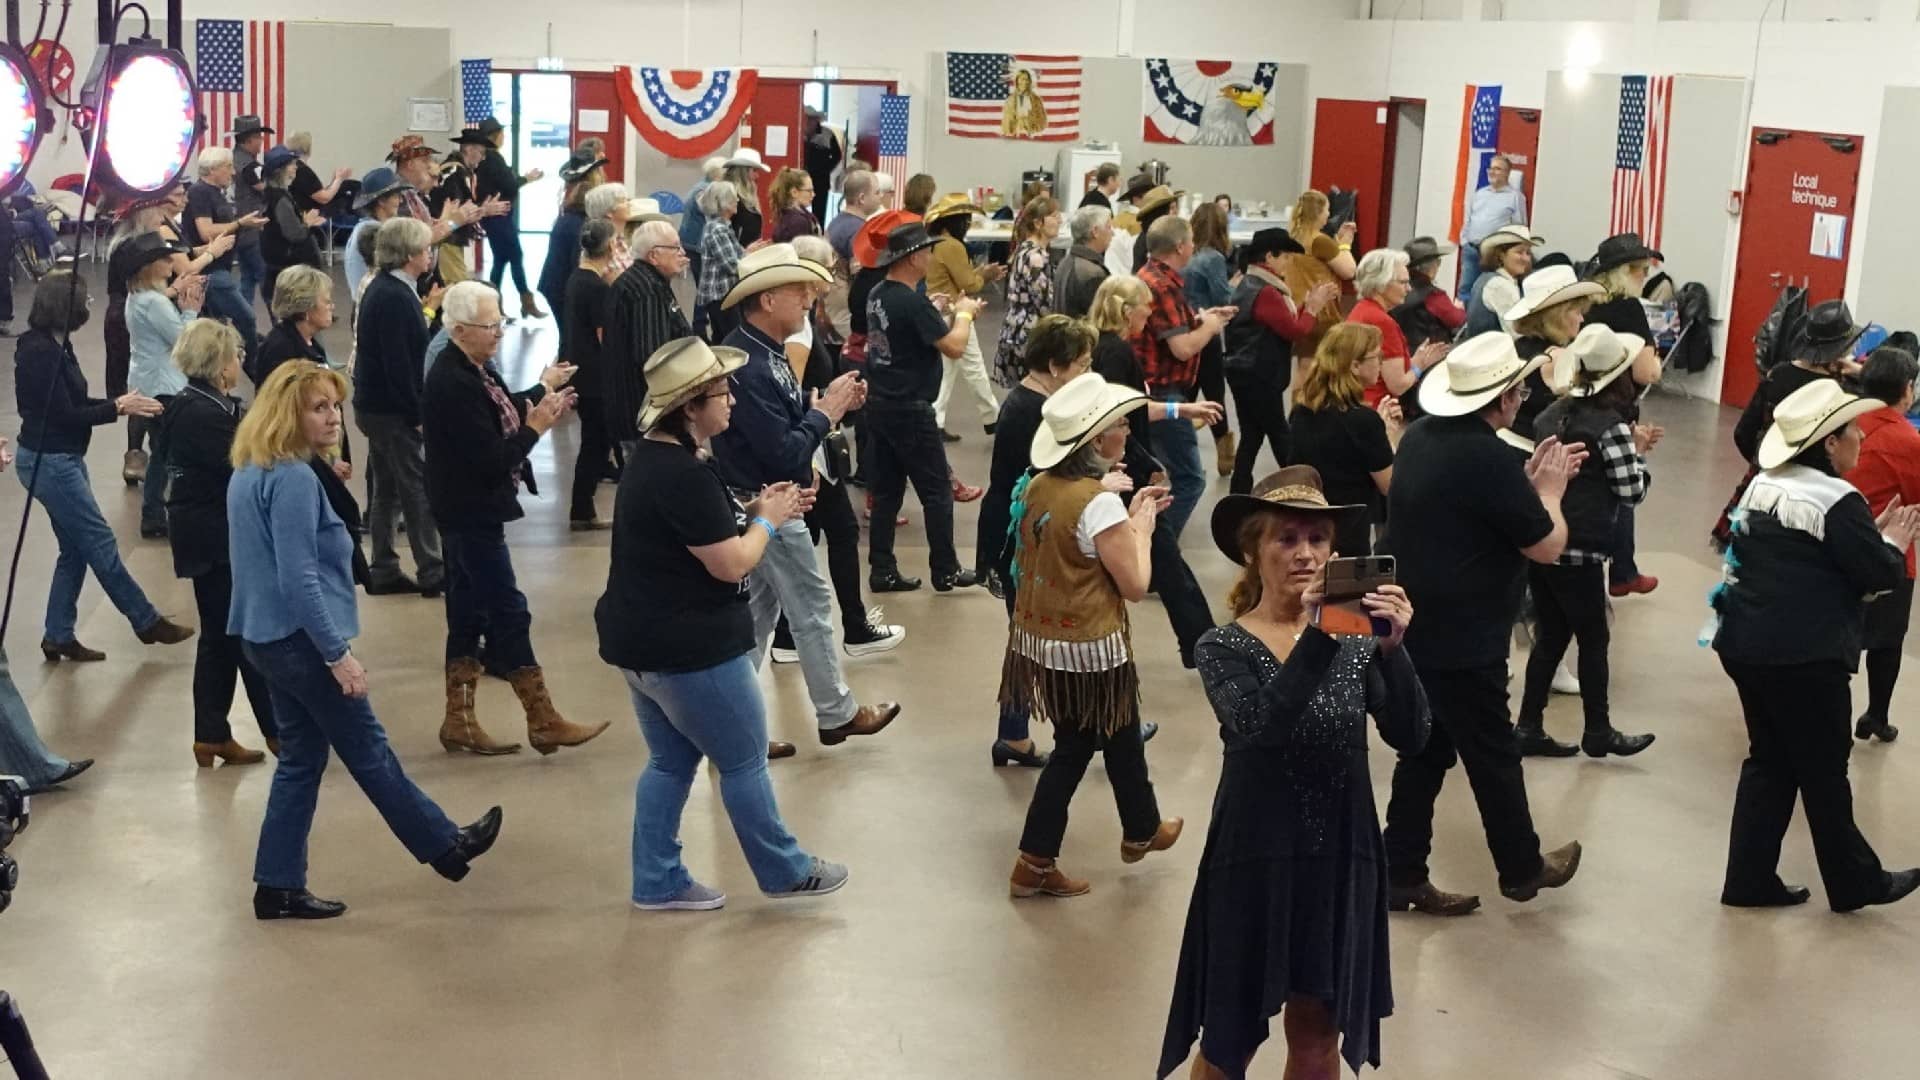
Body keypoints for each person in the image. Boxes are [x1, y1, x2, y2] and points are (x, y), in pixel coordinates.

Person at [1160, 466, 1428, 1080]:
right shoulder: (1221, 646)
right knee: (1228, 1041)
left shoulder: (1357, 641)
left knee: (1316, 1038)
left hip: (1339, 857)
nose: (1305, 554)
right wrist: (1318, 637)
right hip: (1253, 859)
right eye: (1286, 538)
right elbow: (1259, 728)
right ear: (1253, 551)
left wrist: (1395, 649)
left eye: (1318, 539)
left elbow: (1413, 737)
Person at [230, 362, 502, 921]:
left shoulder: (249, 470)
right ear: (288, 413)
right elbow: (299, 578)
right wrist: (337, 654)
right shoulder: (293, 480)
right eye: (318, 408)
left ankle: (276, 884)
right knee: (369, 749)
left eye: (334, 406)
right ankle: (445, 845)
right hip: (300, 642)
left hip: (262, 637)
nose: (334, 418)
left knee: (302, 760)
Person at [602, 336, 851, 910]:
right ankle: (784, 870)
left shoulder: (660, 459)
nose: (732, 399)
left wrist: (760, 510)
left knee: (669, 762)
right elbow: (732, 562)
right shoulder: (682, 474)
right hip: (689, 650)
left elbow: (703, 528)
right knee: (743, 760)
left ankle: (657, 880)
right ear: (689, 407)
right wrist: (768, 523)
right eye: (720, 392)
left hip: (640, 645)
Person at [1378, 331, 1586, 916]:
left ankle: (1401, 872)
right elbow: (1547, 546)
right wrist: (1549, 491)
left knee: (1424, 751)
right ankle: (1521, 868)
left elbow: (1466, 512)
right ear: (1505, 399)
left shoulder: (1419, 438)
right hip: (1465, 637)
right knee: (1492, 752)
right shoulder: (1490, 458)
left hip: (1413, 627)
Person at [1711, 378, 1920, 912]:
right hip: (1803, 656)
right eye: (1851, 432)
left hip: (1743, 643)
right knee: (1825, 771)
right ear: (1829, 443)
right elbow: (1878, 575)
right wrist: (1891, 545)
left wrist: (1868, 541)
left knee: (1770, 760)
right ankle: (1856, 885)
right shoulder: (1836, 498)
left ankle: (1748, 879)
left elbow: (1804, 557)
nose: (1860, 440)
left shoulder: (1767, 481)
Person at [710, 244, 903, 750]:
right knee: (812, 604)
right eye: (800, 292)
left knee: (757, 617)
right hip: (766, 503)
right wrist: (828, 413)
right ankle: (836, 712)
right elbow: (778, 450)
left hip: (771, 498)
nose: (810, 299)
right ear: (768, 299)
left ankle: (730, 727)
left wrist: (819, 411)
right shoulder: (751, 364)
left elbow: (786, 431)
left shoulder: (763, 351)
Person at [1004, 372, 1184, 899]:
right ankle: (1034, 860)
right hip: (1092, 649)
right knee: (1077, 748)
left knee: (1119, 732)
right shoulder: (1098, 503)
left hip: (1041, 643)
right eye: (1118, 426)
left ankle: (1141, 827)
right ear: (1095, 441)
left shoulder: (1039, 486)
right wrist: (1141, 527)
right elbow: (1134, 584)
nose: (1126, 431)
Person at [421, 281, 606, 757]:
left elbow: (498, 410)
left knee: (467, 614)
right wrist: (537, 427)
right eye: (491, 325)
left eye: (500, 321)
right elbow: (491, 457)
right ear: (460, 330)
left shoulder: (475, 370)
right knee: (508, 610)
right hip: (469, 512)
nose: (500, 331)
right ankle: (542, 719)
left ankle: (457, 720)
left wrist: (543, 389)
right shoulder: (453, 381)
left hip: (466, 510)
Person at [15, 272, 195, 661]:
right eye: (84, 302)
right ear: (67, 306)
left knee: (75, 550)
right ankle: (145, 620)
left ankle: (57, 633)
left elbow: (71, 402)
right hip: (49, 462)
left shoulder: (54, 345)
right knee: (99, 542)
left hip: (62, 458)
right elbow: (64, 414)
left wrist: (120, 401)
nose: (89, 307)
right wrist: (117, 407)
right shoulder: (39, 353)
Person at [1515, 325, 1659, 759]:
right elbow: (1630, 490)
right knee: (1594, 638)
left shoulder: (1549, 415)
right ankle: (1598, 729)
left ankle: (1528, 724)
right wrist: (1641, 460)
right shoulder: (1611, 427)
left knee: (1552, 635)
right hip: (1583, 548)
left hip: (1545, 539)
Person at [765, 234, 905, 665]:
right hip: (809, 452)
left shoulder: (805, 323)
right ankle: (852, 628)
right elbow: (791, 391)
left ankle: (793, 635)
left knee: (822, 534)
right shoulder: (799, 332)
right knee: (835, 534)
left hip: (811, 447)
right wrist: (825, 410)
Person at [978, 315, 1095, 769]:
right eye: (1081, 364)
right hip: (1025, 540)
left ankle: (1016, 733)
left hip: (1019, 534)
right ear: (1056, 365)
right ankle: (1100, 726)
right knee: (1054, 636)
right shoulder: (1032, 411)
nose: (1086, 372)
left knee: (1031, 639)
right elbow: (1047, 480)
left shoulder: (1031, 403)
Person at [162, 318, 278, 768]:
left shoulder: (206, 403)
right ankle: (277, 729)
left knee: (219, 636)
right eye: (235, 356)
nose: (240, 362)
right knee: (241, 633)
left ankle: (211, 733)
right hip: (212, 540)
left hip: (209, 535)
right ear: (219, 364)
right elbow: (245, 464)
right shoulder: (201, 413)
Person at [1088, 275, 1219, 669]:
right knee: (1166, 560)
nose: (1149, 313)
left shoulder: (1107, 349)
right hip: (1125, 470)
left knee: (1165, 560)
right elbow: (1118, 417)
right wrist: (1148, 464)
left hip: (1122, 465)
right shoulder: (1117, 354)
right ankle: (1203, 645)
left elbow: (1133, 408)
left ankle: (1201, 643)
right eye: (1144, 307)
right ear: (1127, 310)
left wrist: (1184, 410)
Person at [863, 222, 986, 592]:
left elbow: (905, 332)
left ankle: (881, 568)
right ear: (915, 257)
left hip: (880, 402)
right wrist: (964, 314)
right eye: (928, 252)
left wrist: (934, 311)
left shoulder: (878, 294)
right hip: (912, 409)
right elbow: (953, 346)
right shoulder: (912, 302)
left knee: (886, 494)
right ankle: (945, 569)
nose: (931, 258)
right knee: (936, 491)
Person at [353, 216, 445, 597]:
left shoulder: (389, 288)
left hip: (376, 407)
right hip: (392, 411)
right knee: (416, 488)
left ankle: (385, 565)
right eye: (425, 249)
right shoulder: (393, 295)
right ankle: (432, 568)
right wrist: (417, 415)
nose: (430, 255)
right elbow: (400, 365)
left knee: (387, 488)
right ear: (409, 254)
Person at [1135, 215, 1235, 539]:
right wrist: (1210, 328)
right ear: (1180, 246)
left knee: (1149, 473)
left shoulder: (1150, 277)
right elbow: (1182, 348)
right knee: (1190, 478)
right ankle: (1155, 548)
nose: (1194, 246)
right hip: (1163, 393)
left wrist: (1203, 318)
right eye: (1191, 240)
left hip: (1154, 390)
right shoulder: (1163, 286)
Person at [1579, 233, 1667, 599]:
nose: (1645, 275)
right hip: (1616, 407)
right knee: (1623, 482)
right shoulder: (1629, 310)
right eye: (1639, 269)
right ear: (1622, 272)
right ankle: (1622, 570)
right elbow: (1647, 372)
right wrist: (1657, 359)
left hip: (1580, 401)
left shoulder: (1584, 304)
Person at [1224, 227, 1336, 494]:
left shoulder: (1251, 286)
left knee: (1252, 436)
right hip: (1259, 376)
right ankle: (1302, 488)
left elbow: (1279, 323)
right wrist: (1312, 309)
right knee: (1280, 434)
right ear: (1270, 257)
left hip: (1244, 373)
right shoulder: (1266, 292)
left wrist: (1304, 308)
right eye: (1285, 257)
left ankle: (1239, 492)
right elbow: (1294, 331)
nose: (1288, 263)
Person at [1845, 347, 1920, 744]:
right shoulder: (1907, 440)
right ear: (1907, 390)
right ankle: (1876, 714)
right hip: (1888, 549)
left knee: (1839, 634)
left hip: (1838, 545)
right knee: (1887, 641)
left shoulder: (1843, 421)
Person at [1288, 323, 1395, 556]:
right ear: (1355, 365)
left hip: (1309, 528)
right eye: (1377, 356)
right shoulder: (1364, 421)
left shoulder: (1301, 412)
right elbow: (1390, 486)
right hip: (1349, 535)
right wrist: (1388, 434)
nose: (1381, 363)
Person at [124, 233, 204, 538]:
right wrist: (190, 310)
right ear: (150, 266)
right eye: (165, 258)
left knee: (161, 450)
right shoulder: (155, 302)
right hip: (164, 386)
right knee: (165, 453)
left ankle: (157, 512)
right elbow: (183, 340)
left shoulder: (137, 297)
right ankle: (156, 514)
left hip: (146, 380)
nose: (172, 262)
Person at [604, 220, 693, 453]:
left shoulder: (646, 281)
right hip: (643, 414)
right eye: (675, 247)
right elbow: (654, 357)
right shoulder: (647, 291)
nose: (682, 253)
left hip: (631, 409)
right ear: (654, 255)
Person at [923, 194, 1005, 442]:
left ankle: (937, 419)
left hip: (940, 310)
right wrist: (987, 275)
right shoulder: (953, 246)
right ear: (951, 223)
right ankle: (994, 419)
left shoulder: (936, 242)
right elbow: (968, 283)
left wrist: (980, 273)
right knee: (974, 367)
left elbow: (957, 276)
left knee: (947, 371)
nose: (967, 225)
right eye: (964, 221)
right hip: (956, 313)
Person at [182, 147, 268, 372]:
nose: (233, 172)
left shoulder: (215, 193)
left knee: (215, 331)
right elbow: (206, 231)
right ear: (212, 170)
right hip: (211, 271)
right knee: (246, 318)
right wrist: (240, 224)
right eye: (228, 167)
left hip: (220, 268)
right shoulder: (200, 193)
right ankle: (254, 366)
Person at [1502, 263, 1605, 440]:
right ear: (1558, 316)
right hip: (1537, 447)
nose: (1581, 318)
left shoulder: (1517, 345)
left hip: (1509, 437)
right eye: (1577, 311)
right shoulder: (1557, 358)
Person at [564, 220, 621, 530]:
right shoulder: (596, 287)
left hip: (582, 373)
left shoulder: (577, 279)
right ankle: (582, 509)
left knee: (594, 443)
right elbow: (605, 337)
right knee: (595, 445)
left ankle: (582, 508)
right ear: (610, 246)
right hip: (597, 379)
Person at [1347, 248, 1446, 410]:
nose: (1409, 289)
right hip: (1377, 409)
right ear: (1380, 285)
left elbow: (1386, 368)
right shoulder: (1382, 321)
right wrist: (1420, 365)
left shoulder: (1360, 309)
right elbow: (1398, 385)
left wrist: (1419, 359)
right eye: (1403, 282)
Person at [472, 117, 547, 319]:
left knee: (502, 259)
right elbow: (509, 185)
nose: (504, 137)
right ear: (495, 136)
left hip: (496, 217)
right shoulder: (494, 159)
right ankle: (525, 301)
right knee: (515, 256)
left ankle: (496, 306)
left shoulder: (485, 159)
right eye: (502, 133)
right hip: (498, 217)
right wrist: (527, 179)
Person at [1184, 202, 1239, 477]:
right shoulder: (1214, 258)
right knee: (1214, 394)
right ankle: (1224, 453)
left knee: (1185, 394)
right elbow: (1223, 298)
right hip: (1207, 332)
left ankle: (1179, 453)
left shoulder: (1185, 255)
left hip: (1182, 332)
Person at [1280, 189, 1358, 380]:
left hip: (1299, 309)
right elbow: (1349, 270)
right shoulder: (1319, 240)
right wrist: (1345, 244)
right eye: (1327, 210)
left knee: (1304, 367)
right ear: (1318, 213)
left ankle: (1299, 407)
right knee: (1320, 370)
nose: (1329, 215)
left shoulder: (1293, 237)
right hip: (1323, 313)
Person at [995, 195, 1062, 390]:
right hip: (1029, 335)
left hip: (1015, 329)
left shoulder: (1024, 249)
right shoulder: (1036, 257)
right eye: (1054, 216)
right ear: (1038, 222)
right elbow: (1044, 303)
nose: (1059, 220)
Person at [258, 145, 326, 311]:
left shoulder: (271, 194)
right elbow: (295, 234)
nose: (296, 167)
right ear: (281, 170)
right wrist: (308, 222)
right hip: (288, 267)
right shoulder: (280, 198)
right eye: (292, 164)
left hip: (278, 266)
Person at [1458, 153, 1528, 301]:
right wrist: (1464, 241)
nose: (1492, 172)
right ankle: (1465, 322)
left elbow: (1519, 228)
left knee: (1490, 289)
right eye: (1491, 168)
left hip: (1493, 253)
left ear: (1507, 173)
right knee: (1466, 290)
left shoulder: (1515, 197)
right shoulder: (1480, 194)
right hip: (1471, 250)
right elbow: (1469, 219)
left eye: (1497, 169)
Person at [823, 169, 880, 339]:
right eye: (877, 192)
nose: (880, 196)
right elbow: (860, 280)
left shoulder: (835, 223)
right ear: (862, 198)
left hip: (829, 312)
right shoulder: (859, 231)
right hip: (845, 318)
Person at [345, 169, 412, 302]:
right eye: (396, 196)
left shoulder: (365, 227)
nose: (400, 200)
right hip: (373, 304)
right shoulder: (373, 231)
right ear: (381, 200)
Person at [536, 161, 592, 323]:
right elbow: (577, 262)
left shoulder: (567, 217)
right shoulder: (578, 225)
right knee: (569, 334)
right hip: (561, 286)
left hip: (553, 283)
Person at [1462, 224, 1541, 338]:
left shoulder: (1487, 279)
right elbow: (1518, 333)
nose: (1525, 258)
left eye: (1528, 253)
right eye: (1519, 252)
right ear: (1501, 255)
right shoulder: (1499, 285)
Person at [228, 115, 273, 309]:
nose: (261, 142)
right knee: (265, 277)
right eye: (259, 138)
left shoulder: (231, 160)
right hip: (253, 229)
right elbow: (267, 189)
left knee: (247, 279)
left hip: (238, 228)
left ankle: (243, 325)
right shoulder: (250, 166)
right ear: (249, 140)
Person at [1393, 236, 1467, 353]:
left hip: (1401, 353)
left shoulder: (1394, 289)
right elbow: (1458, 320)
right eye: (1438, 262)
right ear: (1431, 266)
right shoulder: (1433, 296)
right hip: (1430, 358)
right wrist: (1460, 309)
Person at [1054, 205, 1112, 319]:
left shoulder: (1065, 262)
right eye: (1109, 227)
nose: (1112, 233)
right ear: (1095, 231)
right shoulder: (1093, 273)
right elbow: (1100, 320)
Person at [680, 156, 728, 283]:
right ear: (718, 174)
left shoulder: (701, 186)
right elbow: (710, 211)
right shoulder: (705, 190)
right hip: (695, 244)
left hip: (691, 242)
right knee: (704, 284)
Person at [280, 132, 353, 214]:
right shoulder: (302, 170)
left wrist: (335, 180)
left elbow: (316, 192)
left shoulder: (290, 166)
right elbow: (324, 198)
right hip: (307, 217)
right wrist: (339, 179)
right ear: (308, 149)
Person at [722, 148, 772, 246]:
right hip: (738, 255)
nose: (757, 176)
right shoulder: (731, 196)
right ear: (743, 172)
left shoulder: (744, 197)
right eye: (754, 170)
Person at [768, 167, 819, 243]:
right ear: (794, 192)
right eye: (809, 191)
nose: (813, 194)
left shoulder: (788, 215)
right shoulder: (798, 223)